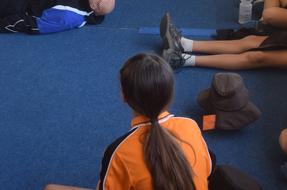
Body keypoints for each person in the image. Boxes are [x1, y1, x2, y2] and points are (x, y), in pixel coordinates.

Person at [44, 53, 212, 190]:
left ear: (124, 95)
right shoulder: (190, 126)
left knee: (50, 189)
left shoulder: (120, 151)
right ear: (171, 93)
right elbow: (208, 170)